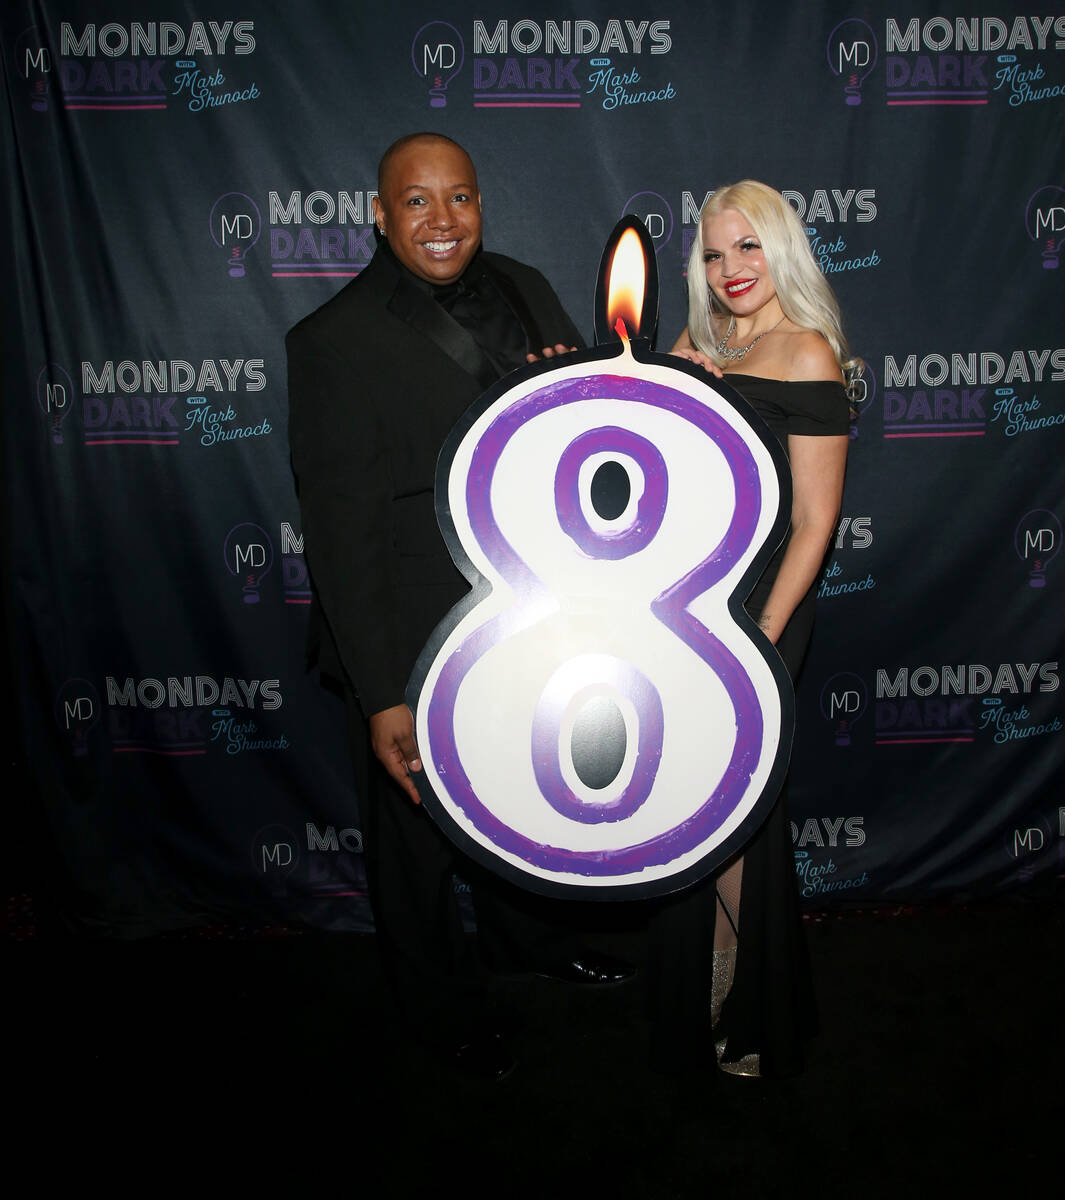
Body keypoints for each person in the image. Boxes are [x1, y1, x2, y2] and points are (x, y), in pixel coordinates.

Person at [286, 132, 632, 1082]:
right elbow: (342, 535)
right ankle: (437, 1009)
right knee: (416, 845)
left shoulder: (521, 284)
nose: (443, 220)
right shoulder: (331, 341)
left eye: (461, 198)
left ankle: (527, 942)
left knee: (518, 802)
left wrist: (580, 386)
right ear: (378, 213)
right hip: (410, 635)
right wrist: (382, 693)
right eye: (417, 201)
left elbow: (582, 431)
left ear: (483, 203)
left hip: (530, 619)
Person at [648, 180, 856, 1079]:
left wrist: (762, 641)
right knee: (694, 799)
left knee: (736, 808)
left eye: (748, 247)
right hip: (688, 602)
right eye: (712, 252)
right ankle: (704, 979)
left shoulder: (806, 353)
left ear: (782, 251)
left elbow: (815, 523)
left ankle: (742, 997)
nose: (729, 269)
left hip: (763, 609)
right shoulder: (701, 342)